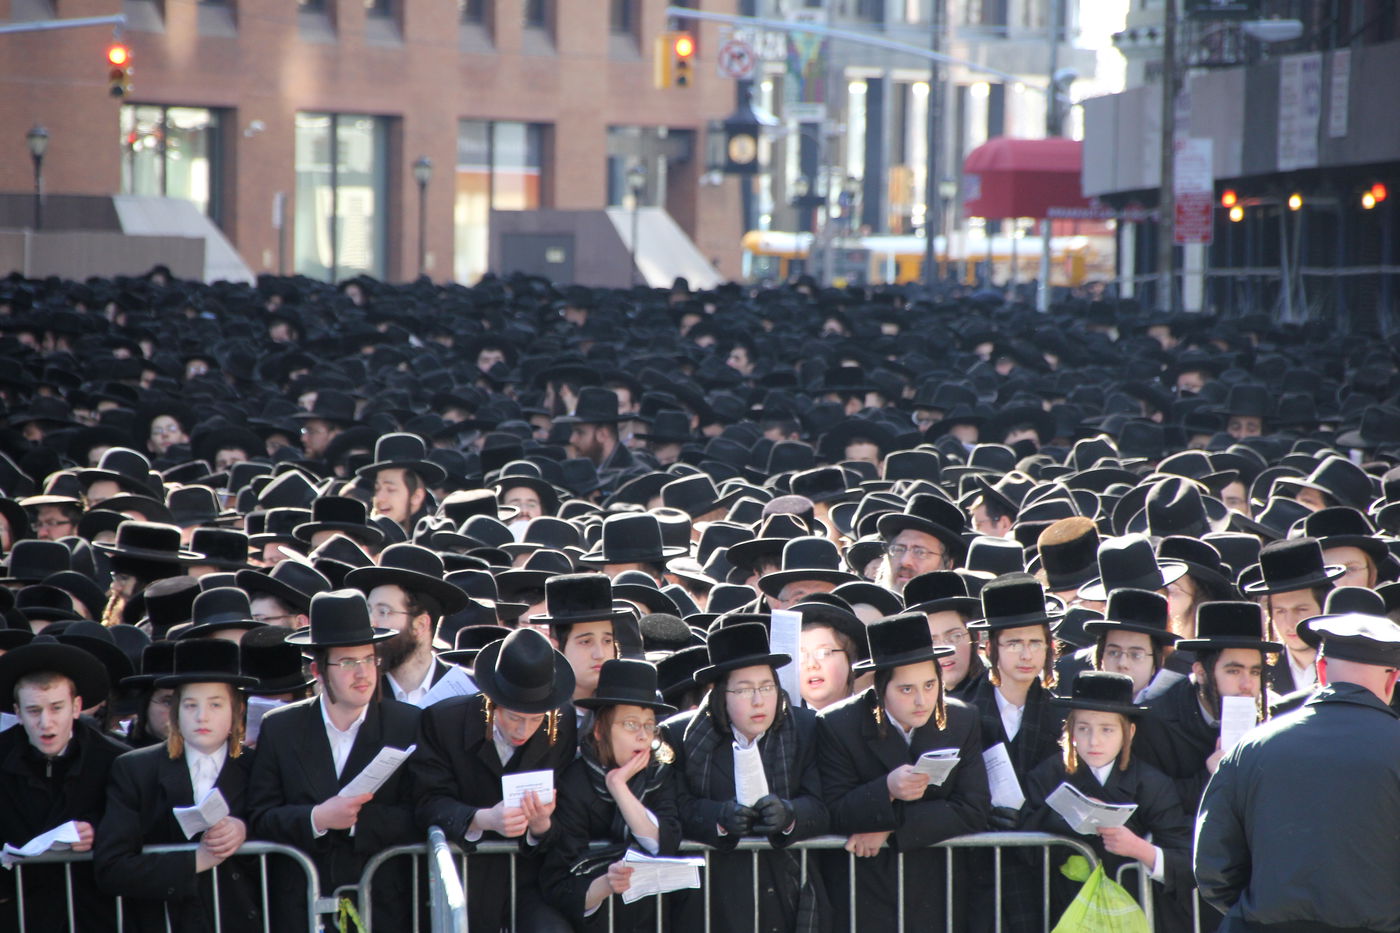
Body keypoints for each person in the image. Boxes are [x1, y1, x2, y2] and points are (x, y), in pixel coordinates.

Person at [1195, 612, 1400, 931]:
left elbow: (1213, 866)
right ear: (1392, 679)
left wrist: (1259, 914)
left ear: (1321, 671)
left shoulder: (1252, 746)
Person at [247, 589, 421, 925]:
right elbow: (261, 816)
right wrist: (318, 817)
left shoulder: (407, 723)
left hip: (382, 907)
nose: (363, 673)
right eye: (347, 662)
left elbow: (421, 809)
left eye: (369, 659)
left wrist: (358, 823)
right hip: (303, 908)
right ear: (317, 670)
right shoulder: (281, 727)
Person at [816, 611, 990, 930]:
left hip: (938, 885)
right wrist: (886, 789)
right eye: (906, 689)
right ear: (880, 687)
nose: (922, 700)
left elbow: (974, 807)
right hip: (864, 889)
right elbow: (832, 808)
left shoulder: (962, 719)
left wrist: (892, 827)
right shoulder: (838, 724)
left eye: (930, 685)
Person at [663, 622, 831, 933]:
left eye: (767, 687)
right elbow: (675, 805)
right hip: (715, 896)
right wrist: (719, 817)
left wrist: (789, 814)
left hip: (787, 889)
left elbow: (822, 803)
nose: (758, 700)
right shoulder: (680, 735)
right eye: (743, 690)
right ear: (719, 694)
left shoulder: (806, 727)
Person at [411, 627, 577, 933]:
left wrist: (541, 826)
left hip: (527, 883)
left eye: (535, 719)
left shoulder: (562, 727)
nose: (523, 730)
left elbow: (568, 812)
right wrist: (483, 818)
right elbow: (427, 801)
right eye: (513, 717)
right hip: (464, 880)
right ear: (492, 702)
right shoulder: (444, 722)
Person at [93, 639, 261, 932]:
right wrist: (195, 860)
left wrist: (244, 830)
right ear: (176, 712)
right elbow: (112, 867)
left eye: (215, 704)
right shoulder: (136, 769)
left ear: (237, 710)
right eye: (190, 704)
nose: (202, 716)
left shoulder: (258, 767)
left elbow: (283, 839)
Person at [1021, 671, 1194, 933]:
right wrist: (1065, 823)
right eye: (1083, 728)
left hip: (1134, 912)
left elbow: (1185, 862)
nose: (1094, 741)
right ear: (1070, 729)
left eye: (1107, 729)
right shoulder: (1046, 776)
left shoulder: (1151, 784)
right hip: (1062, 911)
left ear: (1129, 732)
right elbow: (1024, 849)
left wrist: (1138, 848)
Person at [541, 659, 680, 931]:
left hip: (651, 920)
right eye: (630, 724)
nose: (643, 736)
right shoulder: (574, 782)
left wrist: (618, 786)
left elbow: (661, 844)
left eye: (649, 725)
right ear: (600, 730)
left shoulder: (660, 773)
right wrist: (607, 882)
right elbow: (560, 881)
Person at [0, 634, 127, 933]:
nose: (46, 722)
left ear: (76, 706)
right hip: (19, 913)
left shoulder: (115, 760)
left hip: (95, 914)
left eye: (56, 708)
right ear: (18, 712)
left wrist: (98, 830)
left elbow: (137, 821)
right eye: (34, 710)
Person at [1132, 601, 1278, 812]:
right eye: (1234, 671)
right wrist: (1210, 776)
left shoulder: (1273, 720)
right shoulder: (1155, 724)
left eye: (1255, 672)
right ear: (1201, 673)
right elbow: (1150, 803)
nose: (1247, 685)